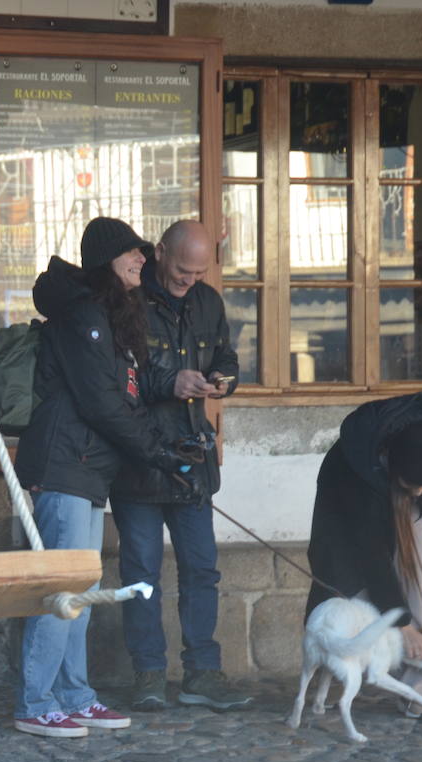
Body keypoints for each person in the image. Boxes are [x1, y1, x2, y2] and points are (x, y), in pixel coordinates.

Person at [12, 216, 195, 738]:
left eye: (143, 251)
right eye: (131, 253)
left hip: (90, 469)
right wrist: (157, 453)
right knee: (62, 592)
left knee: (84, 591)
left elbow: (128, 394)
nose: (143, 259)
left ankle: (74, 695)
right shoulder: (84, 314)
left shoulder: (111, 315)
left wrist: (164, 447)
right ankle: (35, 701)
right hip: (65, 466)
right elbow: (101, 403)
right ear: (105, 262)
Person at [108, 220, 249, 713]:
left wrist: (222, 378)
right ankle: (148, 674)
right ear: (160, 252)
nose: (189, 280)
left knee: (201, 572)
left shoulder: (208, 300)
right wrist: (168, 383)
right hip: (140, 462)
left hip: (193, 460)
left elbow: (227, 354)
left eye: (198, 272)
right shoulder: (127, 297)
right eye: (182, 270)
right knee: (141, 572)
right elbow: (115, 381)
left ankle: (202, 675)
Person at [305, 392, 422, 719]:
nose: (421, 493)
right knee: (360, 598)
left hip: (404, 483)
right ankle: (350, 667)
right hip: (356, 516)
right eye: (416, 486)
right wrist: (401, 624)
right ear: (396, 471)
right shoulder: (350, 469)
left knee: (419, 584)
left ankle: (418, 689)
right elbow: (372, 556)